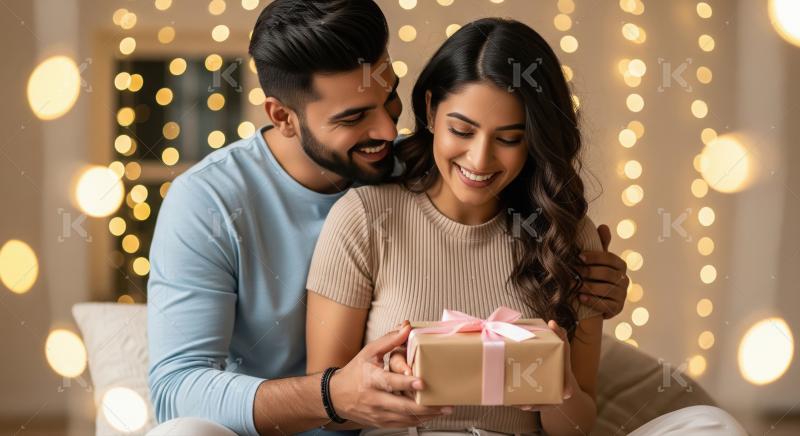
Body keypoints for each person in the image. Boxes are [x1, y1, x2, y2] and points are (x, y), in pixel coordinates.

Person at [146, 2, 629, 435]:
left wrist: (589, 276)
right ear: (283, 117)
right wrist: (334, 396)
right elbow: (174, 391)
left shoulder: (429, 165)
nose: (386, 130)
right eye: (353, 117)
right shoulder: (209, 203)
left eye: (389, 97)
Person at [305, 17, 748, 436]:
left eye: (509, 139)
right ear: (430, 109)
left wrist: (556, 387)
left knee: (711, 424)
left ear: (534, 138)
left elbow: (576, 428)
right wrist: (383, 387)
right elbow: (329, 411)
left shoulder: (565, 235)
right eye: (462, 130)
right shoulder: (365, 217)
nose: (479, 160)